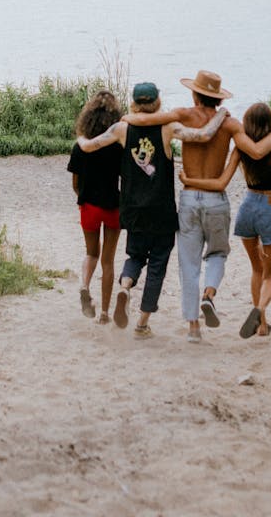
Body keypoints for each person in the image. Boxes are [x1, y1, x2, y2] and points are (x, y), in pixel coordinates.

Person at [125, 70, 271, 343]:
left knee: (189, 263)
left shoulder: (183, 114)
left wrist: (127, 117)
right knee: (217, 254)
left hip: (188, 197)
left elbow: (145, 119)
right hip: (216, 200)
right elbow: (255, 152)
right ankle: (209, 294)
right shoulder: (230, 125)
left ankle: (193, 329)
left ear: (195, 94)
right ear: (217, 99)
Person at [77, 82, 228, 339]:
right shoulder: (168, 128)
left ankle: (125, 286)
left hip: (133, 209)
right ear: (158, 102)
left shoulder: (122, 128)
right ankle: (142, 322)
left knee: (135, 257)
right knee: (157, 266)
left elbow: (90, 146)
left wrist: (80, 136)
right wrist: (222, 115)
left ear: (134, 104)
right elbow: (203, 135)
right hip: (162, 210)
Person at [180, 54, 271, 338]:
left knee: (257, 269)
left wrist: (189, 180)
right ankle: (260, 310)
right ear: (270, 122)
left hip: (247, 209)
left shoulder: (240, 147)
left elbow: (222, 181)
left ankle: (262, 325)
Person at [67, 90, 124, 324]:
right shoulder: (118, 146)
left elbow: (75, 184)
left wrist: (84, 197)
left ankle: (84, 286)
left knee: (91, 253)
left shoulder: (80, 147)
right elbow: (126, 178)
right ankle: (104, 314)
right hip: (112, 205)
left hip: (88, 205)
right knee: (108, 261)